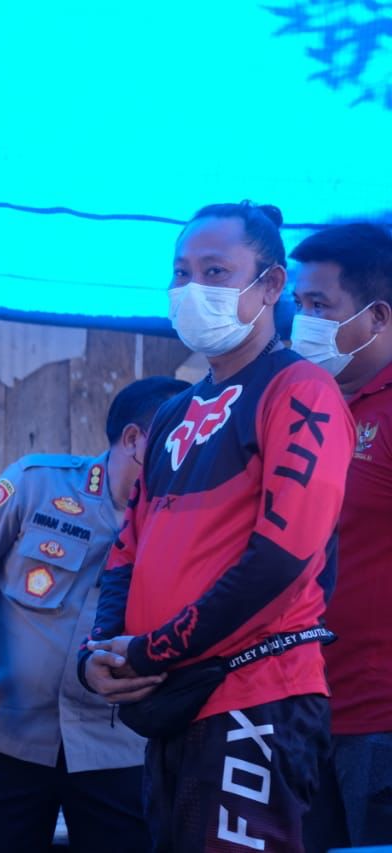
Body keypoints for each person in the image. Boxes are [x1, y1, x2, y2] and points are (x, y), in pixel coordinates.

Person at [80, 202, 354, 852]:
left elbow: (282, 556)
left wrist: (152, 650)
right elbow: (128, 546)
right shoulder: (174, 412)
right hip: (172, 704)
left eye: (215, 271)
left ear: (269, 285)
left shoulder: (302, 389)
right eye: (181, 272)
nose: (191, 288)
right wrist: (100, 652)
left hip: (257, 700)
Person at [0, 376, 189, 853]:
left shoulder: (189, 523)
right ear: (134, 440)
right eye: (181, 440)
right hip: (7, 733)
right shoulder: (37, 483)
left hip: (121, 746)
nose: (192, 455)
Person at [289, 222, 392, 847]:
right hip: (299, 712)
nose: (303, 323)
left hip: (380, 725)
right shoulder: (302, 407)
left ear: (377, 316)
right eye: (297, 306)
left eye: (319, 306)